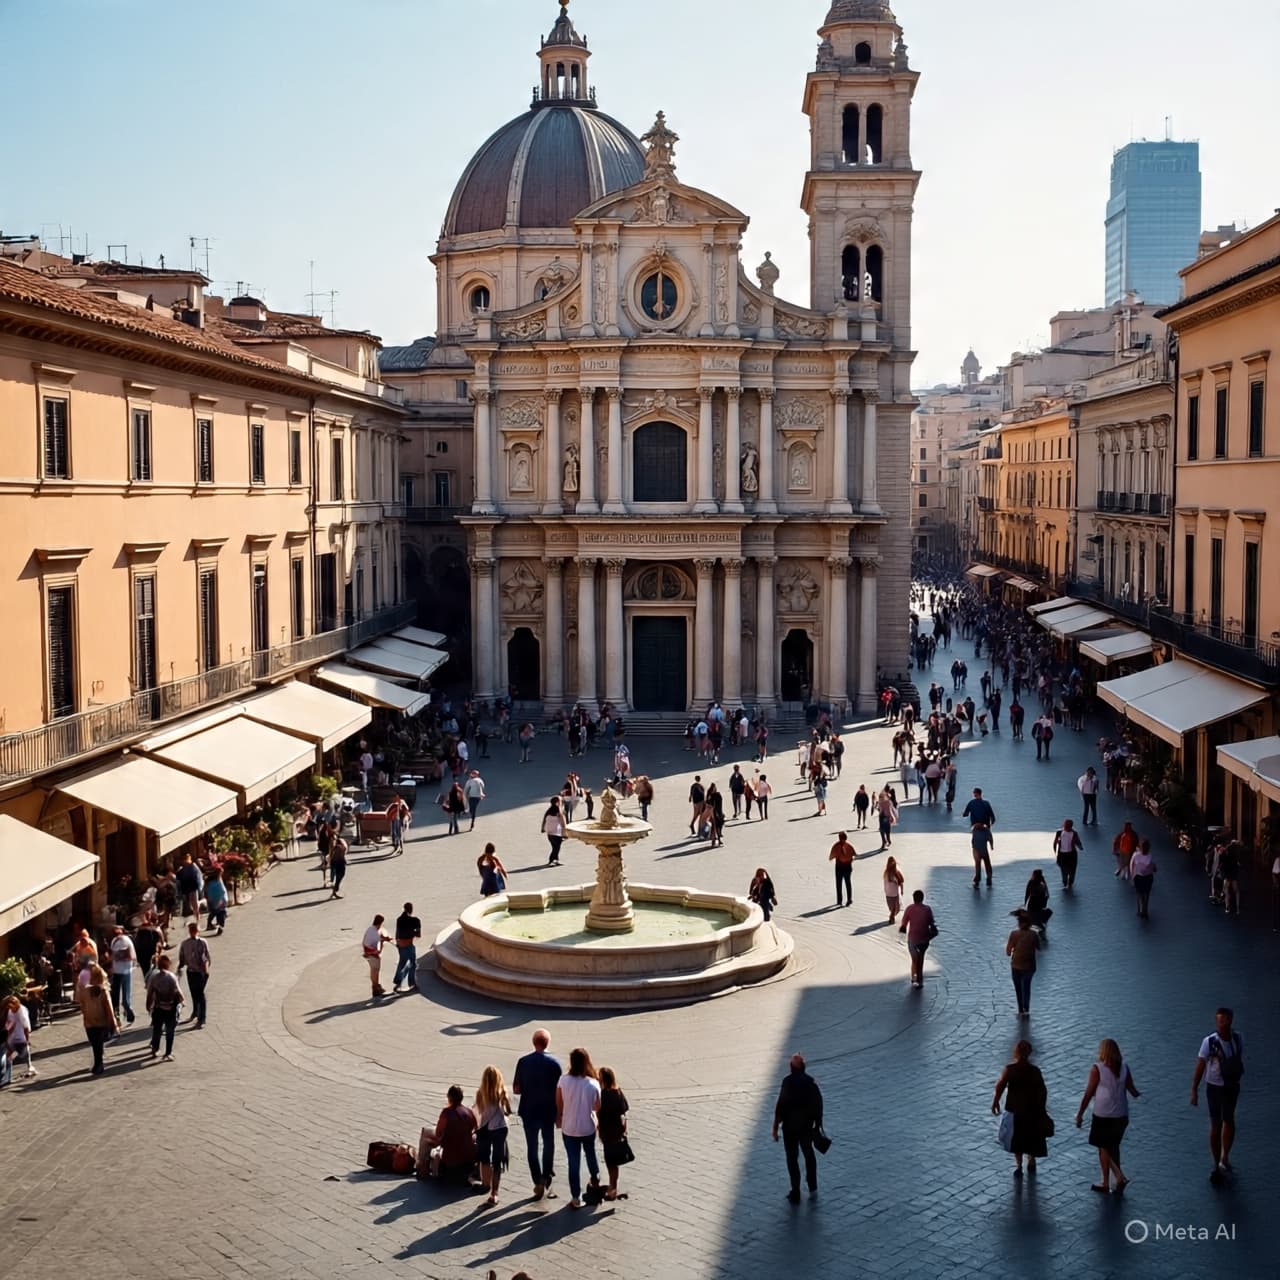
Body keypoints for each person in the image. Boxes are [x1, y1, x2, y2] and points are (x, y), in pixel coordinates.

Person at [1075, 1038, 1140, 1194]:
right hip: (1122, 1115)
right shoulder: (1125, 1068)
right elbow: (1132, 1090)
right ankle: (1111, 1182)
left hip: (1103, 1114)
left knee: (1102, 1146)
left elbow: (1089, 1093)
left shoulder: (1097, 1069)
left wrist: (1080, 1114)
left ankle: (1116, 1177)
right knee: (1113, 1146)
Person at [1191, 1007, 1245, 1184]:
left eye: (1224, 1020)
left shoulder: (1238, 1038)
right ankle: (1216, 1163)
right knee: (1216, 1124)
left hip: (1231, 1086)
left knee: (1229, 1121)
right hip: (1214, 1087)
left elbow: (1238, 1057)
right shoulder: (1209, 1042)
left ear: (1230, 1020)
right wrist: (1194, 1090)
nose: (1220, 1023)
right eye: (1218, 1020)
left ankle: (1225, 1156)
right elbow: (1200, 1065)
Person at [513, 1029, 562, 1200]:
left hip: (529, 1110)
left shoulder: (523, 1062)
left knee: (532, 1147)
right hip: (548, 1111)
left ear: (534, 1043)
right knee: (549, 1144)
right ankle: (546, 1175)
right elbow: (560, 1091)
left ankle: (537, 1181)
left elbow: (516, 1089)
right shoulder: (555, 1063)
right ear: (548, 1043)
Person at [771, 1052, 823, 1204]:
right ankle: (813, 1188)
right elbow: (818, 1104)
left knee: (792, 1159)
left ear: (791, 1067)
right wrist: (817, 1124)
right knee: (809, 1155)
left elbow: (780, 1106)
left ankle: (795, 1191)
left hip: (790, 1129)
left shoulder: (787, 1082)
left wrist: (775, 1127)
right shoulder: (810, 1082)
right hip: (806, 1127)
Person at [991, 1040, 1049, 1175]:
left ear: (1015, 1052)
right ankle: (1031, 1159)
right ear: (1029, 1053)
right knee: (1031, 1136)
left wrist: (995, 1101)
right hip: (1032, 1110)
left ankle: (1018, 1165)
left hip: (1014, 1110)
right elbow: (1043, 1091)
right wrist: (1042, 1108)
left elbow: (1000, 1086)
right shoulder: (1035, 1071)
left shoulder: (1010, 1070)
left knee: (1016, 1139)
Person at [556, 1047, 602, 1210]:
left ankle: (576, 1197)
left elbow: (559, 1103)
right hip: (588, 1126)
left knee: (573, 1162)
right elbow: (597, 1107)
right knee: (590, 1153)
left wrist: (559, 1117)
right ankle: (595, 1178)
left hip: (569, 1128)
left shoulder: (563, 1080)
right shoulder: (593, 1083)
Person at [421, 1085, 479, 1186]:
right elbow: (476, 1129)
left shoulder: (446, 1112)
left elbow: (438, 1133)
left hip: (450, 1155)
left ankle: (422, 1169)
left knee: (426, 1136)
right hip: (468, 1153)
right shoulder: (469, 1112)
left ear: (449, 1097)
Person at [475, 1065, 512, 1206]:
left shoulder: (480, 1093)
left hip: (484, 1128)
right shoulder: (502, 1092)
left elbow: (479, 1110)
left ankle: (485, 1184)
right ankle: (494, 1193)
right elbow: (508, 1111)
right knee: (497, 1160)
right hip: (500, 1128)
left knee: (484, 1157)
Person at [75, 963, 117, 1075]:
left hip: (90, 1021)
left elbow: (81, 1004)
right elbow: (109, 1008)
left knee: (95, 1043)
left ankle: (98, 1064)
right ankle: (99, 1062)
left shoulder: (85, 991)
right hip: (100, 1020)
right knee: (97, 1043)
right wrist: (113, 1022)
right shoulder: (103, 991)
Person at [598, 1066, 631, 1201]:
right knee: (614, 1162)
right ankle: (613, 1186)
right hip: (617, 1130)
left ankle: (612, 1188)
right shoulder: (617, 1092)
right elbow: (625, 1109)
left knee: (610, 1161)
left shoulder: (602, 1094)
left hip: (607, 1131)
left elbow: (598, 1111)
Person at [145, 953, 183, 1061]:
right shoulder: (172, 977)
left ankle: (155, 1049)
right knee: (170, 1031)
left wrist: (148, 1006)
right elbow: (179, 994)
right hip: (170, 1008)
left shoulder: (154, 977)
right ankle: (168, 1053)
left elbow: (150, 993)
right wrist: (181, 1002)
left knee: (157, 1029)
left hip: (158, 1008)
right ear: (168, 964)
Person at [1006, 911, 1040, 1018]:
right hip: (1029, 966)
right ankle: (1026, 1007)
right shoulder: (1034, 934)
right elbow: (1039, 947)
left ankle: (1020, 1008)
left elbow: (1008, 951)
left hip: (1016, 965)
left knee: (1018, 988)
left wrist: (1012, 950)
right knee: (1026, 986)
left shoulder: (1014, 934)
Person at [899, 890, 936, 989]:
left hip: (913, 938)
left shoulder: (909, 909)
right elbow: (931, 921)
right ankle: (919, 979)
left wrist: (903, 928)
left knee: (914, 959)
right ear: (922, 898)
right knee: (921, 959)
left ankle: (913, 977)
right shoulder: (927, 909)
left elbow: (904, 923)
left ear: (913, 898)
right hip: (924, 938)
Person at [177, 921, 211, 1028]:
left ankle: (202, 1019)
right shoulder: (185, 943)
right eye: (191, 930)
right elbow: (182, 957)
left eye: (195, 930)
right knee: (193, 993)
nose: (193, 932)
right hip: (190, 971)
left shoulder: (202, 942)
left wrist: (205, 971)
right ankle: (195, 1012)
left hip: (200, 972)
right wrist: (180, 967)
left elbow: (206, 958)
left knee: (200, 995)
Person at [107, 925, 137, 1025]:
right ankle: (117, 1017)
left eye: (117, 931)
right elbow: (113, 955)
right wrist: (112, 965)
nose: (116, 933)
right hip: (116, 972)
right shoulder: (114, 941)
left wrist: (119, 956)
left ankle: (129, 1014)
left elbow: (130, 955)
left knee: (125, 998)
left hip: (125, 971)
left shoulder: (126, 941)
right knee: (114, 996)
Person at [3, 995, 34, 1080]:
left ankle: (30, 1067)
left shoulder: (22, 1011)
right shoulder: (10, 1011)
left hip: (21, 1037)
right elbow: (10, 1023)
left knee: (17, 1054)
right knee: (11, 1055)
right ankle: (7, 1076)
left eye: (10, 1006)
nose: (8, 1008)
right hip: (13, 1036)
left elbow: (26, 1027)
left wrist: (27, 1039)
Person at [393, 902, 421, 993]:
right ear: (411, 909)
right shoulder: (415, 920)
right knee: (412, 964)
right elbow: (418, 934)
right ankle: (412, 983)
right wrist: (413, 932)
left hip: (401, 944)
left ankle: (398, 983)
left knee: (401, 963)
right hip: (409, 944)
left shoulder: (399, 919)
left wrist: (397, 943)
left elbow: (397, 934)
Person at [361, 915, 391, 1000]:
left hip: (369, 952)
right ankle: (376, 988)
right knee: (375, 970)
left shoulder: (370, 929)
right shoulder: (374, 931)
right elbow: (379, 941)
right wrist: (385, 939)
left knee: (373, 970)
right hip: (373, 953)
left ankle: (376, 986)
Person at [1130, 839, 1157, 919]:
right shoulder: (1149, 856)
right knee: (1146, 894)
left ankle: (1140, 910)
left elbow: (1131, 866)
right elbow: (1154, 868)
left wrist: (1132, 876)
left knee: (1140, 894)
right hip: (1148, 877)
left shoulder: (1136, 855)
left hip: (1138, 877)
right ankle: (1145, 910)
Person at [1054, 819, 1083, 890]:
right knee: (1063, 870)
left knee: (1072, 870)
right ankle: (1065, 882)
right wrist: (1055, 850)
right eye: (1065, 825)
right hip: (1062, 855)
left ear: (1071, 827)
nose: (1066, 827)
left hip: (1072, 855)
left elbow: (1078, 842)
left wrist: (1080, 846)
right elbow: (1055, 842)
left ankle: (1070, 883)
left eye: (1068, 826)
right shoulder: (1059, 832)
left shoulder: (1074, 833)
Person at [829, 832, 856, 908]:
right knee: (847, 882)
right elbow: (854, 855)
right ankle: (849, 899)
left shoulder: (836, 846)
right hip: (847, 866)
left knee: (839, 883)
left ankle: (840, 901)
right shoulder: (849, 846)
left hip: (839, 866)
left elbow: (831, 857)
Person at [1024, 869, 1052, 936]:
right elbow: (1046, 895)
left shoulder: (1031, 882)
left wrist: (1025, 902)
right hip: (1039, 902)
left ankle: (1036, 927)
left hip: (1033, 901)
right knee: (1037, 915)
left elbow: (1027, 893)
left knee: (1032, 915)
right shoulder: (1042, 882)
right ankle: (1041, 925)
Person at [970, 820, 995, 889]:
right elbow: (990, 838)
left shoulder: (974, 830)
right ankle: (989, 878)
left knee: (978, 865)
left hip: (976, 850)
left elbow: (973, 841)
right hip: (984, 850)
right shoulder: (986, 830)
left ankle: (977, 880)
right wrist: (991, 846)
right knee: (987, 864)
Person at [204, 867, 229, 934]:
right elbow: (221, 890)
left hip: (213, 899)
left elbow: (207, 889)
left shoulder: (210, 880)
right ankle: (219, 926)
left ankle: (214, 925)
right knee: (220, 913)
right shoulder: (216, 880)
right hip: (218, 899)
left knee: (215, 912)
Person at [883, 857, 905, 924]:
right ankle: (891, 917)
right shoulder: (896, 872)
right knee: (895, 908)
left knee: (892, 908)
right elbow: (901, 881)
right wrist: (902, 890)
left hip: (887, 893)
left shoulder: (885, 873)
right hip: (894, 893)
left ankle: (891, 917)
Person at [327, 834, 349, 899]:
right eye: (332, 839)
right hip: (336, 862)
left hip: (341, 861)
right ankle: (335, 891)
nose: (333, 840)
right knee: (338, 876)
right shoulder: (332, 845)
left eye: (334, 838)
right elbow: (330, 854)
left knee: (341, 875)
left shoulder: (340, 842)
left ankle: (334, 890)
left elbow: (345, 849)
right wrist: (330, 862)